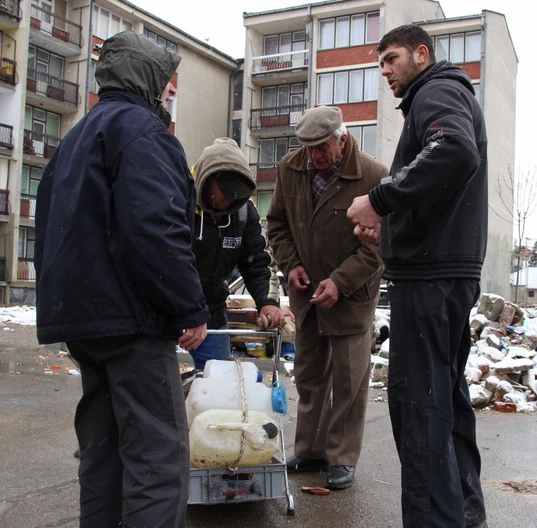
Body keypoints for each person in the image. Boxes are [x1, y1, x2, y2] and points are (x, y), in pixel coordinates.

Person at [33, 32, 208, 528]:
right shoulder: (143, 133)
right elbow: (155, 228)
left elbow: (48, 226)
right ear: (148, 79)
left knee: (104, 451)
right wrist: (188, 308)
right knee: (157, 455)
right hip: (131, 320)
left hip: (84, 320)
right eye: (167, 83)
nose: (170, 92)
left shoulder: (78, 136)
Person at [346, 24, 489, 528]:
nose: (384, 70)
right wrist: (389, 228)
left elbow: (454, 151)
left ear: (421, 54)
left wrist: (380, 198)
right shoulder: (443, 92)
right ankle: (465, 513)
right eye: (380, 62)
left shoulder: (438, 90)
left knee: (420, 409)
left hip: (430, 278)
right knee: (445, 400)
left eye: (391, 58)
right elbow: (443, 184)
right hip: (444, 270)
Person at [267, 105, 385, 490]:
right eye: (308, 148)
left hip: (351, 296)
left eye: (322, 148)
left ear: (343, 140)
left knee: (349, 380)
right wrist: (292, 265)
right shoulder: (290, 167)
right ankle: (310, 450)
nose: (314, 157)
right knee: (310, 374)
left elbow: (380, 247)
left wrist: (339, 281)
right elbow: (278, 225)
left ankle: (342, 457)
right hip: (307, 294)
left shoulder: (374, 175)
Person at [189, 137, 287, 370]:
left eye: (237, 195)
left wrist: (268, 301)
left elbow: (258, 261)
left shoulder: (243, 213)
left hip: (211, 310)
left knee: (218, 382)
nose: (230, 200)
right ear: (207, 179)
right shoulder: (176, 201)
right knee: (157, 389)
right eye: (225, 193)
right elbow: (164, 262)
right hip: (165, 311)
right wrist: (187, 313)